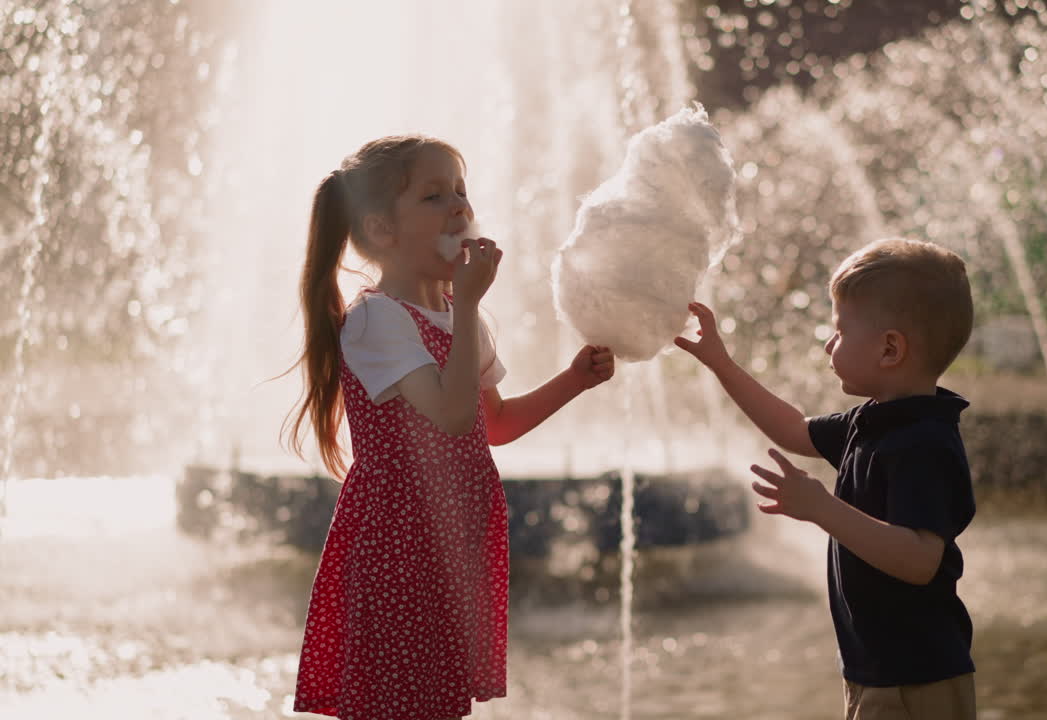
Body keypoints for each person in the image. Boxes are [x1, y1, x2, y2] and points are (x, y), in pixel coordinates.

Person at [283, 134, 615, 720]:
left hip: (451, 541)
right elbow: (450, 411)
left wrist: (573, 379)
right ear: (383, 231)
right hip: (396, 546)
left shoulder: (464, 318)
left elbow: (496, 424)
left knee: (437, 703)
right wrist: (463, 308)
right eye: (435, 197)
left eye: (462, 192)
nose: (460, 207)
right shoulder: (376, 319)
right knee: (395, 702)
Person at [675, 237, 977, 720]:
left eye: (840, 330)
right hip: (874, 669)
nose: (828, 343)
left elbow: (920, 560)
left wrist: (821, 508)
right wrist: (721, 363)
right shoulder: (871, 422)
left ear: (890, 348)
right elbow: (791, 429)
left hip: (917, 679)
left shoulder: (925, 443)